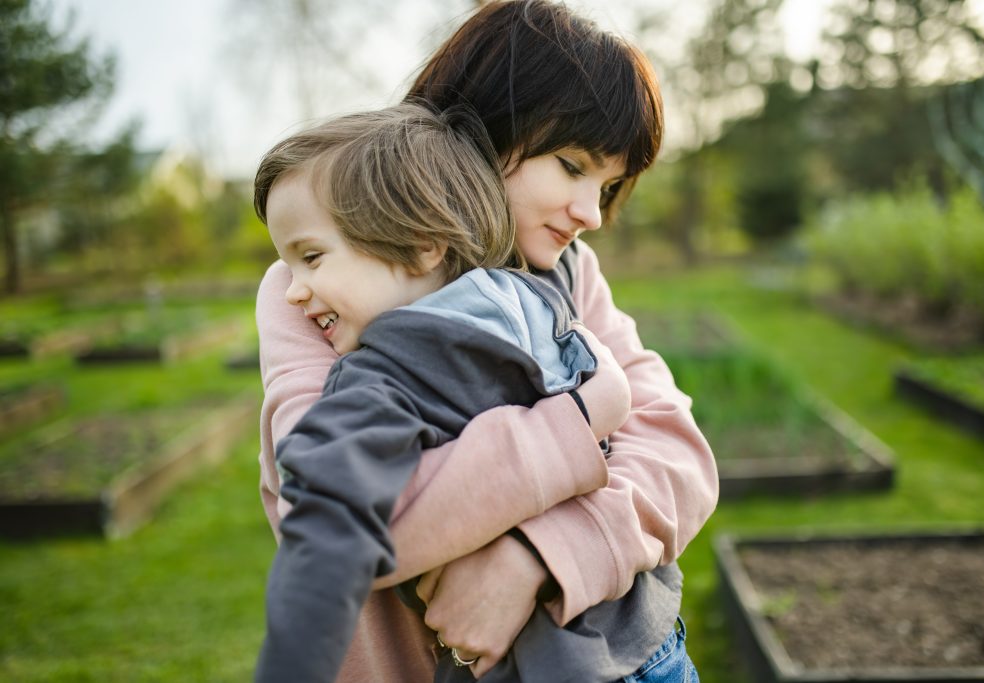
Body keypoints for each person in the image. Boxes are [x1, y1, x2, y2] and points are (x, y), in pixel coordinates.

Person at [255, 1, 718, 681]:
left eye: (610, 184)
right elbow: (334, 519)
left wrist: (537, 556)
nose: (592, 213)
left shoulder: (566, 275)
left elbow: (678, 455)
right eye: (571, 164)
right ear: (483, 127)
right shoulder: (320, 286)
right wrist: (573, 429)